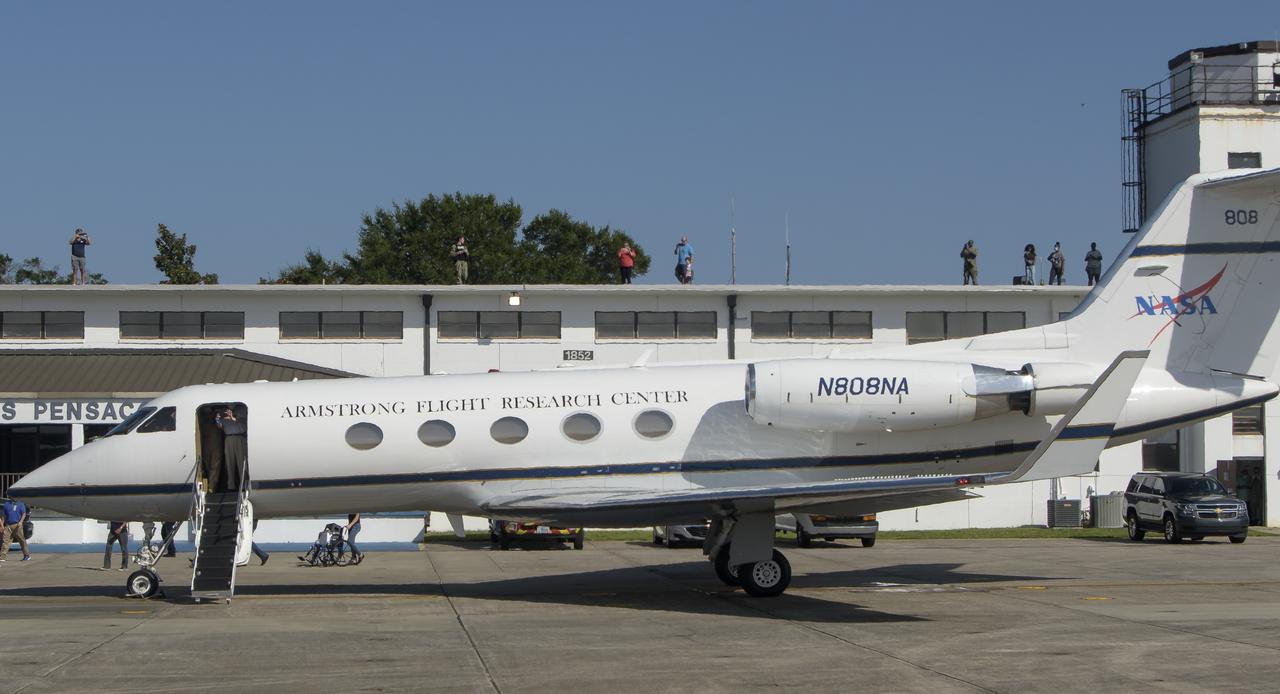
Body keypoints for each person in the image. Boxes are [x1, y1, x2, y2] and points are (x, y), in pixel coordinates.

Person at [215, 406, 247, 491]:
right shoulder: (223, 416)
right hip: (228, 438)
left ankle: (244, 484)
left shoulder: (241, 412)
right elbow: (219, 426)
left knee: (241, 462)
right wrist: (217, 418)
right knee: (229, 462)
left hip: (239, 437)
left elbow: (244, 426)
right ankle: (231, 485)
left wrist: (232, 417)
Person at [1, 497, 31, 563]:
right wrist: (2, 525)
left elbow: (24, 513)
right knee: (5, 541)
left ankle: (27, 555)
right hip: (8, 525)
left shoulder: (21, 504)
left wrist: (20, 522)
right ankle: (2, 557)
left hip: (17, 525)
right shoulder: (6, 504)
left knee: (22, 540)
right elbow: (3, 515)